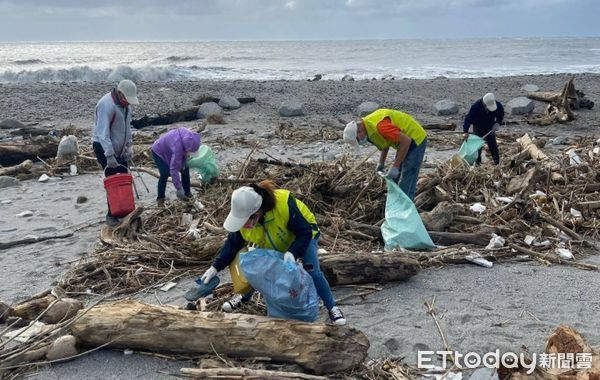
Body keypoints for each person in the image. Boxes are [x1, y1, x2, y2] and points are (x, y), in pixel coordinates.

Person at [198, 180, 346, 326]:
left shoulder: (283, 205)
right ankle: (244, 296)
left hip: (303, 235)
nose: (245, 225)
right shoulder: (244, 220)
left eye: (248, 221)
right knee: (260, 269)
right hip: (274, 240)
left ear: (257, 212)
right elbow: (232, 245)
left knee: (312, 270)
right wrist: (215, 268)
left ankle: (332, 307)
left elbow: (304, 232)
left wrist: (293, 253)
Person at [343, 108, 427, 201]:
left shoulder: (380, 127)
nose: (360, 143)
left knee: (407, 177)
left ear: (358, 132)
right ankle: (397, 204)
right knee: (395, 180)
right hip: (403, 142)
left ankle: (406, 209)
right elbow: (385, 142)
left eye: (357, 140)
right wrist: (381, 163)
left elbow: (406, 141)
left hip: (415, 138)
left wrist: (395, 166)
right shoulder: (368, 127)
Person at [92, 79, 139, 226]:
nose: (128, 103)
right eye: (127, 99)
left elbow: (127, 129)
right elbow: (102, 133)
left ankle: (125, 210)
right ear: (119, 93)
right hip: (103, 147)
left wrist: (129, 146)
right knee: (112, 179)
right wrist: (109, 155)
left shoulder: (126, 107)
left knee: (125, 177)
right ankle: (112, 214)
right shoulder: (106, 105)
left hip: (119, 148)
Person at [151, 127, 201, 205]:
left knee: (185, 169)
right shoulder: (178, 148)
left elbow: (185, 154)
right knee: (165, 173)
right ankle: (160, 198)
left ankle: (187, 193)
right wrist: (179, 188)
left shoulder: (190, 136)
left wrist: (184, 162)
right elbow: (173, 169)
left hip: (170, 149)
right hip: (159, 151)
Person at [462, 93, 504, 165]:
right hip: (478, 127)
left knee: (493, 145)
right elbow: (468, 119)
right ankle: (477, 164)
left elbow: (500, 114)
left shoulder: (497, 105)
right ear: (484, 104)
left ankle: (496, 162)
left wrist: (498, 123)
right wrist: (465, 131)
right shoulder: (476, 107)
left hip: (490, 127)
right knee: (477, 146)